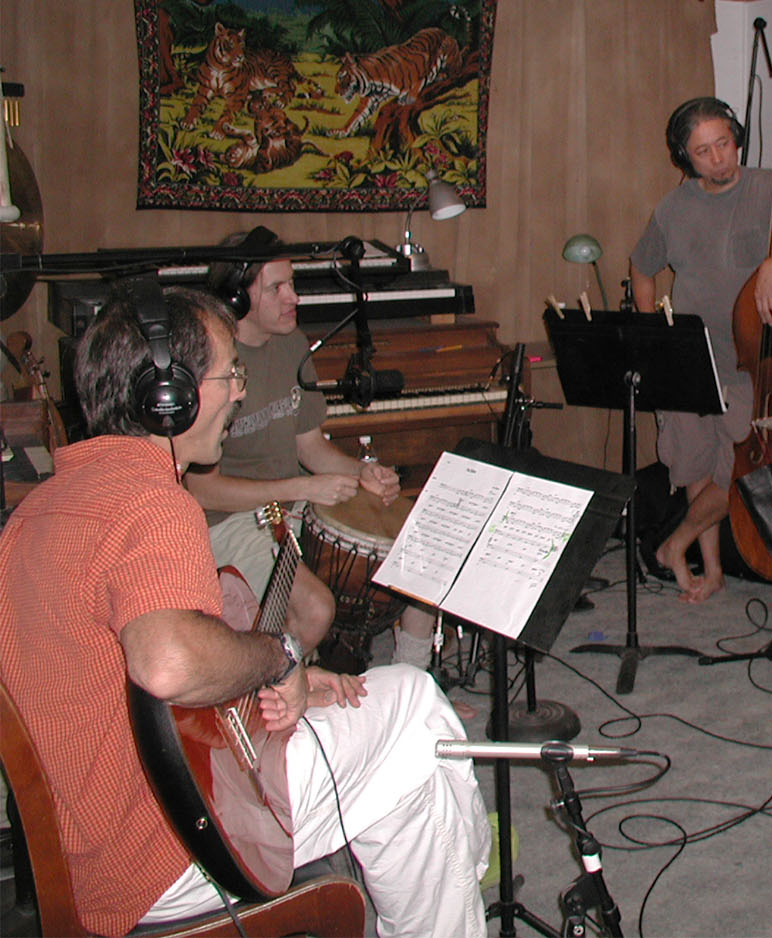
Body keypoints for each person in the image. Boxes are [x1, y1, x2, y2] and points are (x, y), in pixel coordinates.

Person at [0, 286, 490, 936]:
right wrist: (276, 657)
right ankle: (465, 877)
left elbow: (125, 686)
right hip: (161, 852)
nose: (238, 390)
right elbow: (168, 664)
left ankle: (458, 867)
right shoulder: (150, 502)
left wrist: (263, 689)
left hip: (85, 845)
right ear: (166, 397)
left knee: (404, 760)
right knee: (415, 712)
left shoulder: (42, 507)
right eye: (229, 373)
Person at [188, 227, 443, 676]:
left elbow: (311, 445)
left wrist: (362, 472)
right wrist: (306, 486)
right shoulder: (212, 362)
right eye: (277, 288)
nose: (294, 298)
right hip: (227, 520)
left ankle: (413, 679)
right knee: (315, 610)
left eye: (293, 284)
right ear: (237, 297)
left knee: (420, 541)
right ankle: (275, 704)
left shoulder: (291, 344)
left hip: (292, 501)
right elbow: (201, 490)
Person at [629, 96, 772, 603]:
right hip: (690, 359)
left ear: (737, 138)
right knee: (696, 468)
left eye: (723, 143)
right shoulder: (673, 207)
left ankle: (673, 545)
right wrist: (655, 331)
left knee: (744, 468)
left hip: (755, 361)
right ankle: (713, 570)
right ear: (686, 157)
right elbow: (641, 266)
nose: (718, 158)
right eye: (703, 151)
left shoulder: (770, 187)